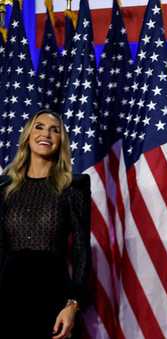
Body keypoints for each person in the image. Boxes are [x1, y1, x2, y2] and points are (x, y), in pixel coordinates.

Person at [0, 110, 91, 339]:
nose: (46, 134)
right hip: (8, 292)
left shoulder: (74, 186)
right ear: (28, 135)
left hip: (53, 294)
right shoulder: (4, 187)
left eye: (55, 130)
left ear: (61, 140)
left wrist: (73, 305)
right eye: (39, 127)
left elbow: (81, 249)